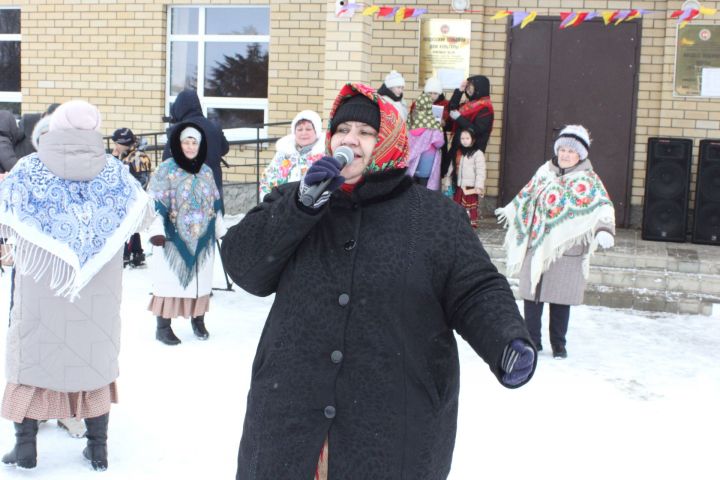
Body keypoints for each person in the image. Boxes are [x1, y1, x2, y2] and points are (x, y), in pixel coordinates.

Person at [221, 83, 536, 480]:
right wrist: (300, 206)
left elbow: (476, 288)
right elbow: (244, 265)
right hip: (292, 412)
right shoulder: (297, 200)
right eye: (343, 129)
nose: (351, 140)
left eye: (366, 132)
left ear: (388, 140)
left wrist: (506, 338)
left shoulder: (434, 217)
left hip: (390, 422)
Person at [0, 100, 154, 470]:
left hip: (43, 284)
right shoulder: (115, 172)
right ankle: (97, 447)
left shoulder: (29, 170)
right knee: (93, 360)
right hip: (97, 290)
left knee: (32, 362)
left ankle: (26, 448)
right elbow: (143, 211)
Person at [495, 125, 616, 358]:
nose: (565, 154)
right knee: (532, 296)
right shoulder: (545, 172)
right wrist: (513, 211)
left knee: (560, 300)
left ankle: (559, 344)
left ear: (580, 155)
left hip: (565, 249)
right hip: (537, 243)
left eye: (571, 151)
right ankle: (532, 341)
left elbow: (603, 206)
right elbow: (526, 196)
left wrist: (604, 229)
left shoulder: (588, 179)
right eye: (562, 149)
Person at [147, 123, 225, 345]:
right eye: (186, 142)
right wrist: (156, 232)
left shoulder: (206, 171)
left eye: (194, 143)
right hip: (171, 238)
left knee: (200, 283)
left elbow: (214, 204)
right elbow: (154, 205)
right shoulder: (165, 170)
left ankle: (198, 321)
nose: (190, 147)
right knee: (168, 283)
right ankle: (163, 327)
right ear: (177, 144)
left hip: (202, 236)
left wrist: (221, 231)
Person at [162, 89, 229, 211]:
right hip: (214, 185)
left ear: (179, 108)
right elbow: (225, 148)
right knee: (215, 223)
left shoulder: (179, 130)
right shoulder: (213, 126)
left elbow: (166, 160)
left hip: (189, 188)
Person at [259, 110, 324, 199]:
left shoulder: (324, 156)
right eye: (299, 129)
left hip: (311, 209)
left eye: (308, 129)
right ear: (294, 132)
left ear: (316, 131)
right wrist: (268, 201)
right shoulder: (283, 154)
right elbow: (267, 178)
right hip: (281, 206)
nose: (303, 133)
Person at [112, 127, 152, 267]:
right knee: (130, 226)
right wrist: (116, 158)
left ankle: (126, 254)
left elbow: (140, 180)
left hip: (134, 198)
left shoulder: (138, 157)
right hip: (129, 196)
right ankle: (137, 253)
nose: (115, 146)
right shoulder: (129, 155)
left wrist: (131, 197)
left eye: (117, 143)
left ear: (124, 143)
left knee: (128, 226)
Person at [443, 75, 494, 177]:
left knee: (466, 181)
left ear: (479, 88)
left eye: (471, 87)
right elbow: (452, 108)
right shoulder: (470, 104)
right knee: (454, 179)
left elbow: (478, 130)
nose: (469, 90)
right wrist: (460, 91)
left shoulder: (485, 108)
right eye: (468, 87)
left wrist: (459, 118)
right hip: (459, 146)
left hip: (471, 151)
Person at [443, 128, 486, 228]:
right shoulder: (458, 152)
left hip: (470, 187)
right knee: (457, 206)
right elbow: (452, 167)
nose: (464, 140)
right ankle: (458, 226)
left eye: (467, 138)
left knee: (469, 209)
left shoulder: (477, 153)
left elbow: (481, 171)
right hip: (459, 185)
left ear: (473, 139)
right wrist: (447, 181)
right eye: (462, 138)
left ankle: (469, 228)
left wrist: (479, 186)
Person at [406, 91, 444, 189]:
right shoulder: (433, 124)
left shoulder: (411, 121)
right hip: (428, 160)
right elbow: (439, 143)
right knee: (425, 187)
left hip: (412, 160)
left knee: (412, 187)